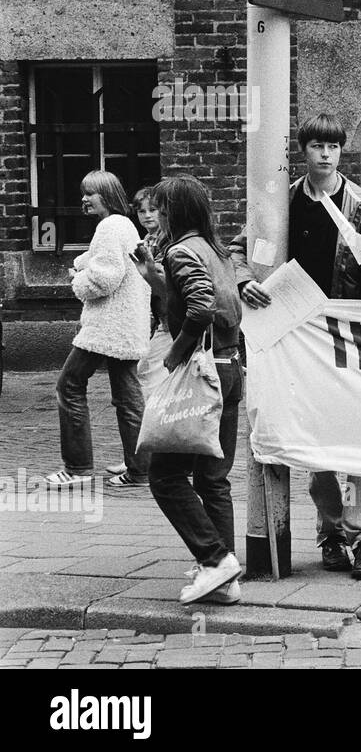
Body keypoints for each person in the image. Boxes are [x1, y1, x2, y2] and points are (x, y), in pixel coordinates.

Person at [233, 112, 361, 579]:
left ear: (341, 151)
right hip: (299, 340)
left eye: (333, 146)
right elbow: (239, 248)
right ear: (303, 152)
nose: (326, 154)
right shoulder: (282, 204)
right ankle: (331, 531)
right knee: (313, 438)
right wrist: (245, 280)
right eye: (317, 147)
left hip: (351, 338)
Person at [137, 175, 244, 604]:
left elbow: (200, 307)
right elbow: (202, 297)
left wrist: (173, 355)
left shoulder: (181, 250)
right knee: (213, 477)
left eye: (161, 208)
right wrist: (151, 276)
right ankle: (225, 579)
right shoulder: (213, 249)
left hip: (203, 373)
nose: (154, 216)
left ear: (174, 211)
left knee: (164, 476)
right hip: (231, 365)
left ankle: (216, 561)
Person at [45, 171, 151, 490]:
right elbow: (105, 261)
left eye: (89, 193)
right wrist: (83, 264)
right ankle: (139, 468)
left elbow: (106, 278)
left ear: (106, 196)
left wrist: (77, 281)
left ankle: (77, 468)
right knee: (128, 397)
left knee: (69, 385)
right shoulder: (125, 225)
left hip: (107, 325)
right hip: (129, 324)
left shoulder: (108, 227)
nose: (83, 198)